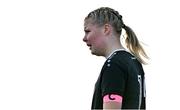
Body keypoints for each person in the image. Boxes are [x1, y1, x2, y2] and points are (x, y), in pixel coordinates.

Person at [83, 7, 149, 109]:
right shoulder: (134, 62)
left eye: (87, 31)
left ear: (106, 29)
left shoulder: (114, 65)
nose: (84, 38)